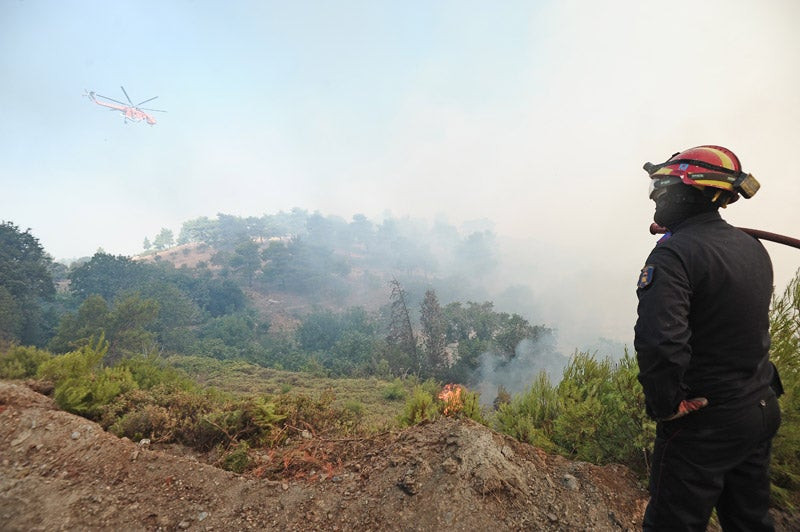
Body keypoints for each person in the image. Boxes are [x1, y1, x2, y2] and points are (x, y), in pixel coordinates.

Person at [634, 145, 782, 531]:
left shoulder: (672, 256)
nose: (653, 195)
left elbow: (660, 341)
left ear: (688, 193)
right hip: (759, 407)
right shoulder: (752, 248)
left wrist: (666, 405)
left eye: (663, 187)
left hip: (706, 424)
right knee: (749, 520)